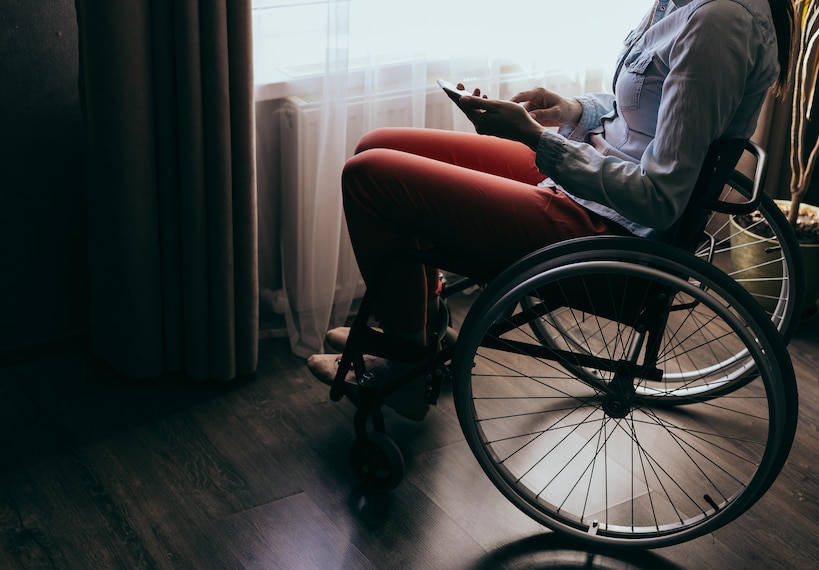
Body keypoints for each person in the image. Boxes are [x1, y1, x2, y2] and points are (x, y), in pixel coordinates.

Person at [307, 0, 794, 420]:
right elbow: (649, 113)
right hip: (595, 181)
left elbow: (659, 198)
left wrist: (534, 138)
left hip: (608, 228)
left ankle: (406, 363)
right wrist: (573, 111)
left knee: (369, 178)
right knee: (378, 144)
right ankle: (425, 325)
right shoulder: (690, 7)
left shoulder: (718, 25)